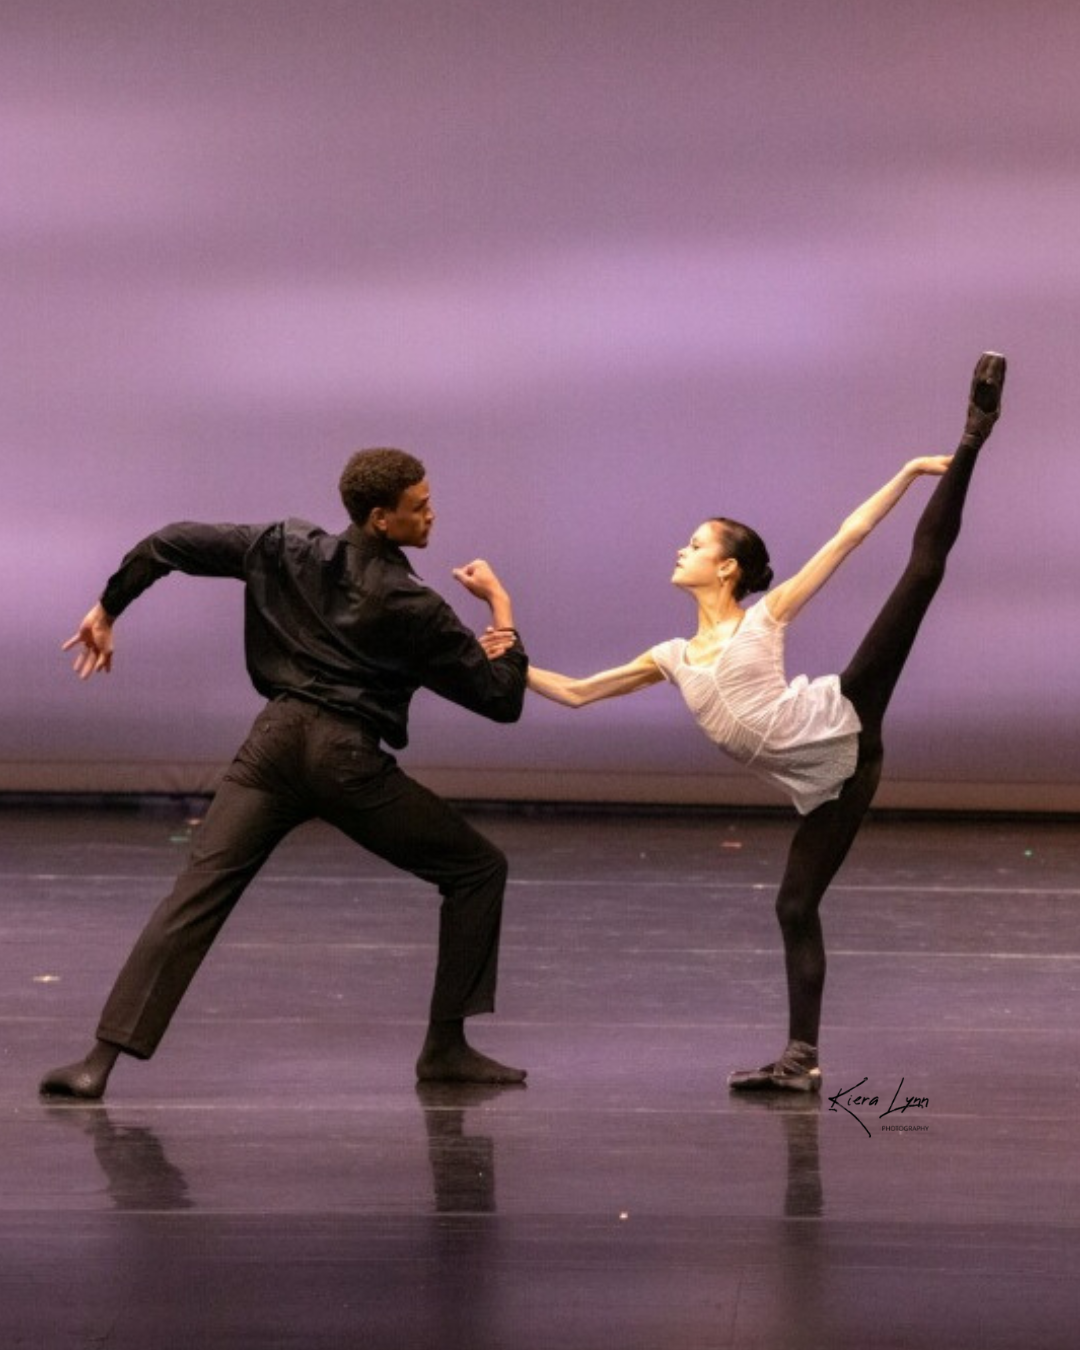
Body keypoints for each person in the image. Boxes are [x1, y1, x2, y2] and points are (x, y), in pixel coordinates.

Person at [520, 353, 1006, 1092]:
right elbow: (579, 692)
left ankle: (974, 434)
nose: (682, 549)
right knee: (794, 904)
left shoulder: (764, 618)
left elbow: (847, 537)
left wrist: (911, 470)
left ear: (727, 569)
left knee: (922, 575)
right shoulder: (672, 654)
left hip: (843, 718)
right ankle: (801, 1062)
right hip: (826, 786)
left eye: (696, 543)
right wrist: (500, 659)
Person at [41, 447, 529, 1099]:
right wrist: (501, 610)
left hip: (271, 746)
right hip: (344, 759)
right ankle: (445, 1048)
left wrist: (106, 609)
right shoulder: (416, 606)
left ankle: (97, 1065)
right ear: (381, 518)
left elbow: (168, 544)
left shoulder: (286, 546)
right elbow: (501, 701)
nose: (432, 515)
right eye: (421, 507)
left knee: (197, 893)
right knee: (477, 868)